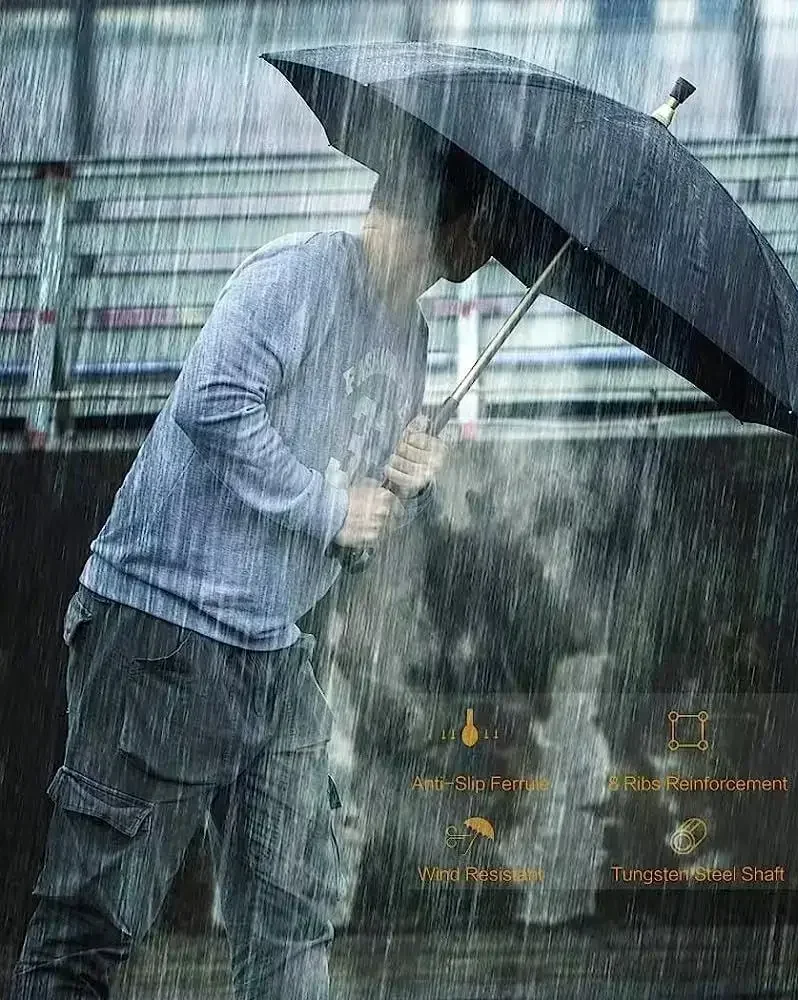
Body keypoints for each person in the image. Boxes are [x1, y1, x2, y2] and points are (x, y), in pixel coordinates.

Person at [8, 145, 498, 1000]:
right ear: (450, 227)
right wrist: (328, 506)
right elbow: (213, 401)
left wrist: (403, 486)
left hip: (274, 650)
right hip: (164, 629)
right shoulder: (299, 278)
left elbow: (354, 523)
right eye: (486, 228)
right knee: (90, 929)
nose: (489, 251)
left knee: (289, 919)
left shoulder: (409, 332)